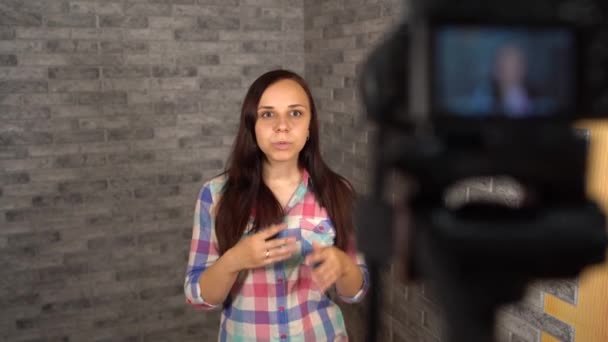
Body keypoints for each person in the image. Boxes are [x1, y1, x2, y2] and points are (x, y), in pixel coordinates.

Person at [184, 69, 369, 341]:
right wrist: (235, 260)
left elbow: (356, 292)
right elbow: (198, 297)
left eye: (295, 113)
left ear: (309, 127)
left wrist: (343, 265)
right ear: (252, 126)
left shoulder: (338, 192)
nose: (282, 126)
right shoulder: (215, 196)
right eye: (268, 114)